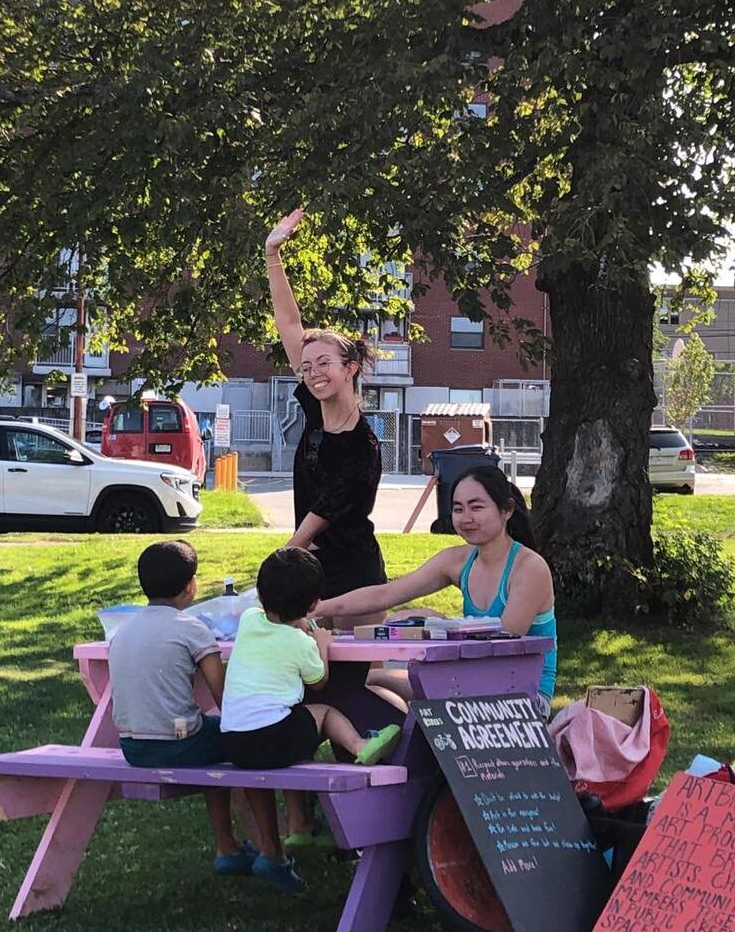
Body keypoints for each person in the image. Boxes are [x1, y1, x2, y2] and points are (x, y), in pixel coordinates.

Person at [265, 208, 406, 844]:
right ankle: (305, 814)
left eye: (325, 363)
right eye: (306, 366)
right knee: (298, 685)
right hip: (307, 568)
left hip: (347, 573)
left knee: (339, 684)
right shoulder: (315, 411)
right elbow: (292, 327)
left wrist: (279, 569)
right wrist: (273, 257)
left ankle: (366, 817)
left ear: (352, 368)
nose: (312, 370)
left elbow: (319, 515)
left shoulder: (362, 446)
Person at [220, 547, 401, 892]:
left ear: (260, 594)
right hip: (273, 738)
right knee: (324, 711)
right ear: (315, 604)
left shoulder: (248, 621)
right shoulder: (300, 643)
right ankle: (360, 744)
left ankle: (291, 832)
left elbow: (274, 622)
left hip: (234, 740)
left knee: (293, 716)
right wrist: (319, 643)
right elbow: (318, 681)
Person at [315, 465, 558, 717]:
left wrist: (438, 622)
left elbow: (502, 640)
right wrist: (319, 608)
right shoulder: (457, 560)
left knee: (376, 684)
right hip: (468, 683)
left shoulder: (530, 568)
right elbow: (385, 594)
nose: (466, 518)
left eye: (476, 507)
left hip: (525, 698)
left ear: (506, 510)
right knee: (369, 681)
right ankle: (388, 747)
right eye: (458, 508)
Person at [108, 540, 255, 877]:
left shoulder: (123, 630)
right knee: (240, 738)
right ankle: (267, 846)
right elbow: (224, 698)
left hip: (132, 746)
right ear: (191, 585)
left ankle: (228, 844)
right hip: (178, 744)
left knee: (211, 733)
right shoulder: (191, 628)